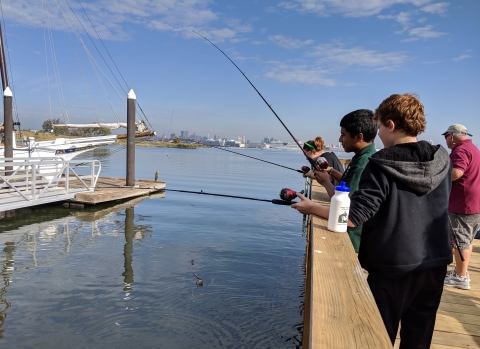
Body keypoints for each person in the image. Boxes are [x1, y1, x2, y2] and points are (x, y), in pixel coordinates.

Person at [292, 94, 452, 348]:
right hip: (435, 263)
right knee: (419, 339)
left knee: (377, 337)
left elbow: (353, 217)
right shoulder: (441, 158)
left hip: (393, 267)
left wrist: (311, 207)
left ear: (390, 124)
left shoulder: (381, 164)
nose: (378, 134)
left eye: (378, 127)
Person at [313, 109, 377, 252]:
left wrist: (326, 182)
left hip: (351, 242)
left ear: (359, 137)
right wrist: (331, 172)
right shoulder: (365, 157)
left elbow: (344, 206)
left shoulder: (362, 164)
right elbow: (351, 183)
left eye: (343, 135)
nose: (340, 140)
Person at [442, 124, 480, 290]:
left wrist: (439, 177)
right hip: (474, 203)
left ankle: (461, 277)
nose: (446, 141)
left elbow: (457, 172)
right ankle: (460, 271)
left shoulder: (460, 150)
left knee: (460, 240)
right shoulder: (473, 148)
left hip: (462, 203)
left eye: (446, 137)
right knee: (467, 239)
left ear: (452, 135)